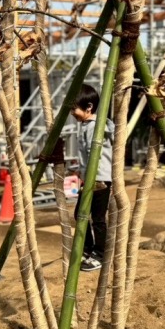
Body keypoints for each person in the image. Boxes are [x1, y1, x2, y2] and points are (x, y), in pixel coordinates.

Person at [70, 84, 114, 272]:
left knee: (97, 218)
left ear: (89, 107)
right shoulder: (87, 125)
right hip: (89, 178)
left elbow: (94, 150)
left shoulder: (97, 126)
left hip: (101, 178)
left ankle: (100, 253)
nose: (73, 113)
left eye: (74, 109)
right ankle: (87, 249)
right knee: (79, 213)